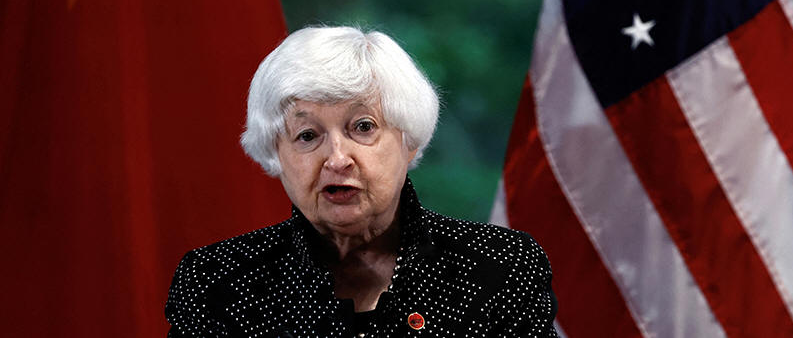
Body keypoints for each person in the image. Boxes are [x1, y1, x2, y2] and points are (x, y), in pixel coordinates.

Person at [165, 25, 557, 337]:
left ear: (407, 141)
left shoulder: (500, 267)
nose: (337, 159)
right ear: (276, 154)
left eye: (363, 127)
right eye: (307, 135)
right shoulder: (216, 282)